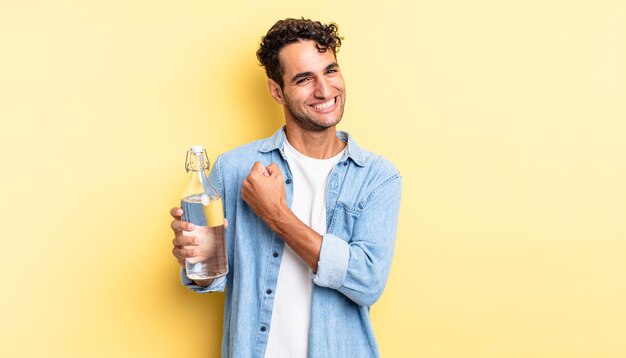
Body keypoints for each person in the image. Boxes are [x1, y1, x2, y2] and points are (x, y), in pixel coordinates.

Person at [170, 18, 402, 358]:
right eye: (304, 79)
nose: (324, 90)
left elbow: (367, 282)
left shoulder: (377, 176)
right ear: (277, 91)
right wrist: (195, 257)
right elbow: (212, 279)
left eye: (331, 71)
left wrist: (275, 213)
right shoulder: (235, 169)